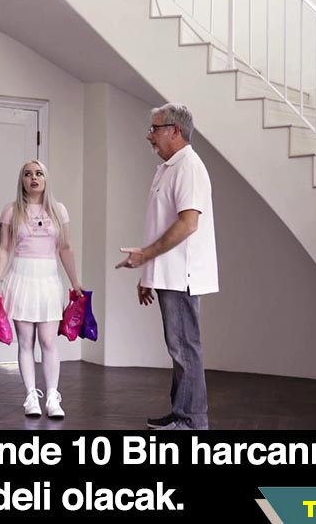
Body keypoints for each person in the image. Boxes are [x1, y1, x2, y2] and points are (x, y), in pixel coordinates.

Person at [116, 103, 219, 431]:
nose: (149, 136)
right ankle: (181, 412)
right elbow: (160, 225)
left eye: (155, 129)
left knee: (185, 348)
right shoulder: (168, 168)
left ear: (175, 130)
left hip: (182, 276)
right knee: (179, 348)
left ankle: (192, 422)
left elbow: (188, 224)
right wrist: (148, 273)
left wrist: (146, 256)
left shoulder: (189, 166)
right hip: (168, 275)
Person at [0, 160, 83, 419]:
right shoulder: (11, 211)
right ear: (22, 180)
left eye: (39, 173)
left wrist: (75, 281)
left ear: (46, 179)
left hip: (48, 279)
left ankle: (52, 396)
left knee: (49, 341)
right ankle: (31, 395)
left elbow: (66, 248)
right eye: (28, 174)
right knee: (25, 341)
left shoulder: (59, 210)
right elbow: (4, 248)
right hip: (21, 278)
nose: (34, 178)